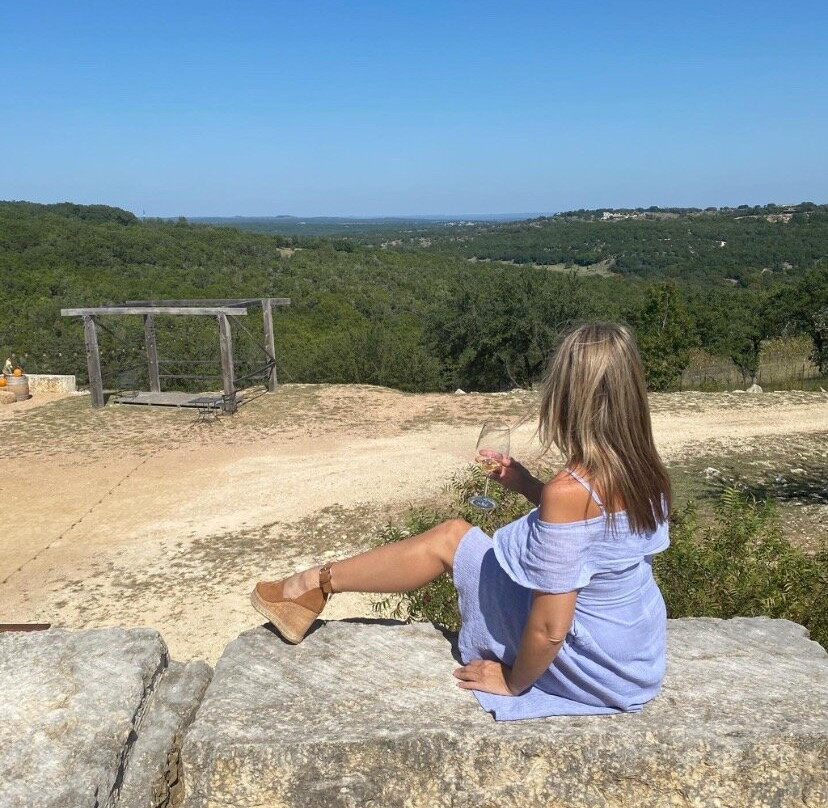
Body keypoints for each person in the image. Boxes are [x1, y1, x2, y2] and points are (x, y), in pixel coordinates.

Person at [251, 322, 672, 720]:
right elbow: (596, 534)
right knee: (458, 538)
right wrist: (525, 483)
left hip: (595, 667)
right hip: (633, 654)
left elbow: (549, 628)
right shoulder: (644, 469)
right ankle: (313, 585)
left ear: (567, 398)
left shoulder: (571, 491)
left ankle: (310, 586)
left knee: (452, 537)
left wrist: (512, 681)